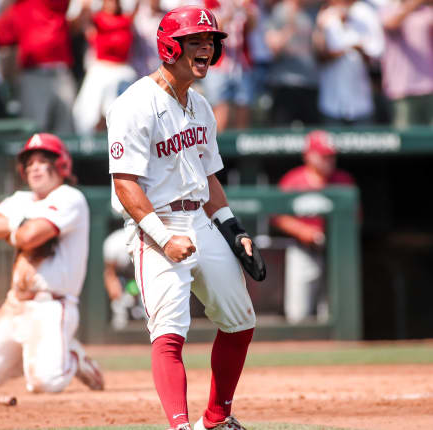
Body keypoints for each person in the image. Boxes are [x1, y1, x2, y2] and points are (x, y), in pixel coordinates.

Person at [106, 6, 263, 430]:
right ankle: (179, 426)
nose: (206, 49)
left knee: (240, 321)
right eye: (196, 40)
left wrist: (234, 230)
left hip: (201, 221)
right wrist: (162, 237)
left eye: (210, 42)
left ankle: (215, 419)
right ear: (169, 46)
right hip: (155, 226)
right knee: (170, 334)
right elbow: (125, 185)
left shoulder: (201, 106)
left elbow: (208, 176)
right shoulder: (133, 104)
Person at [0, 133, 104, 395]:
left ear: (61, 165)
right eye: (29, 162)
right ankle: (37, 355)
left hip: (52, 306)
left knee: (45, 383)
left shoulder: (69, 197)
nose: (34, 167)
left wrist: (19, 227)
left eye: (42, 160)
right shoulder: (21, 200)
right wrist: (21, 226)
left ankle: (72, 356)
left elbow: (32, 235)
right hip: (16, 305)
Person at [272, 130, 355, 324]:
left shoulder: (343, 180)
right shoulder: (294, 180)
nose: (329, 160)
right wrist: (302, 231)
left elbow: (355, 218)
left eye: (331, 156)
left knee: (334, 310)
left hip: (337, 253)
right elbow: (277, 216)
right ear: (308, 156)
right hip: (303, 249)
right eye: (324, 156)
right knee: (299, 312)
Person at [0, 0, 77, 133]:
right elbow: (0, 36)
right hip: (33, 75)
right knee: (35, 131)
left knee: (65, 130)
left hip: (61, 72)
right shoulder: (18, 8)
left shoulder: (54, 4)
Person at [72, 0, 138, 136]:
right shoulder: (96, 21)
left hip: (123, 72)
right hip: (101, 70)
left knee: (125, 116)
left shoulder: (126, 21)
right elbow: (82, 21)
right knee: (86, 114)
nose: (111, 5)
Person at [313, 0, 384, 125]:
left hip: (361, 104)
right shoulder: (325, 16)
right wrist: (321, 29)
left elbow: (376, 56)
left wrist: (359, 49)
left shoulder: (365, 14)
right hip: (332, 104)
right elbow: (320, 56)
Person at [201, 0, 257, 132]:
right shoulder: (211, 2)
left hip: (242, 64)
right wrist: (230, 12)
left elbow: (253, 26)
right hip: (219, 64)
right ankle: (217, 150)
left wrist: (247, 11)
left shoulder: (244, 2)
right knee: (221, 113)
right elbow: (211, 29)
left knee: (243, 109)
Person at [265, 0, 320, 126]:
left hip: (310, 83)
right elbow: (274, 47)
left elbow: (319, 48)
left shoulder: (313, 10)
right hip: (285, 83)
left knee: (312, 133)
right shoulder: (280, 11)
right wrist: (290, 24)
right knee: (281, 133)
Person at [379, 0, 433, 127]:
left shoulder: (427, 12)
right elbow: (390, 24)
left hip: (430, 89)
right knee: (405, 142)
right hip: (402, 90)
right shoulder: (389, 9)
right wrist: (413, 4)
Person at [103, 228, 144, 330]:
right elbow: (110, 273)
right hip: (124, 276)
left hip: (144, 273)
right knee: (119, 304)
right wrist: (116, 294)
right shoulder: (113, 243)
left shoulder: (147, 240)